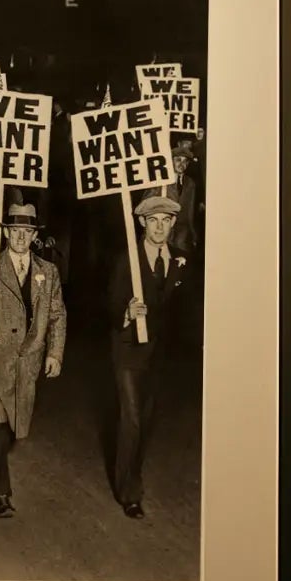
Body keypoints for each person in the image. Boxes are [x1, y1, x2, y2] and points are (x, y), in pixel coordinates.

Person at [0, 201, 66, 518]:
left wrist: (55, 353)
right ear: (5, 234)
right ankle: (1, 494)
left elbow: (58, 317)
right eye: (15, 231)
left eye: (27, 231)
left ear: (34, 236)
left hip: (26, 363)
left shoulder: (49, 272)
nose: (20, 237)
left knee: (14, 427)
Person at [104, 192, 185, 518]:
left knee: (147, 422)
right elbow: (108, 303)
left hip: (159, 355)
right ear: (142, 222)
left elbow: (184, 309)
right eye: (153, 220)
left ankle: (132, 473)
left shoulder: (181, 261)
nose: (159, 227)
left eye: (165, 221)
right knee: (133, 420)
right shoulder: (128, 260)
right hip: (127, 350)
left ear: (173, 224)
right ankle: (129, 492)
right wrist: (126, 311)